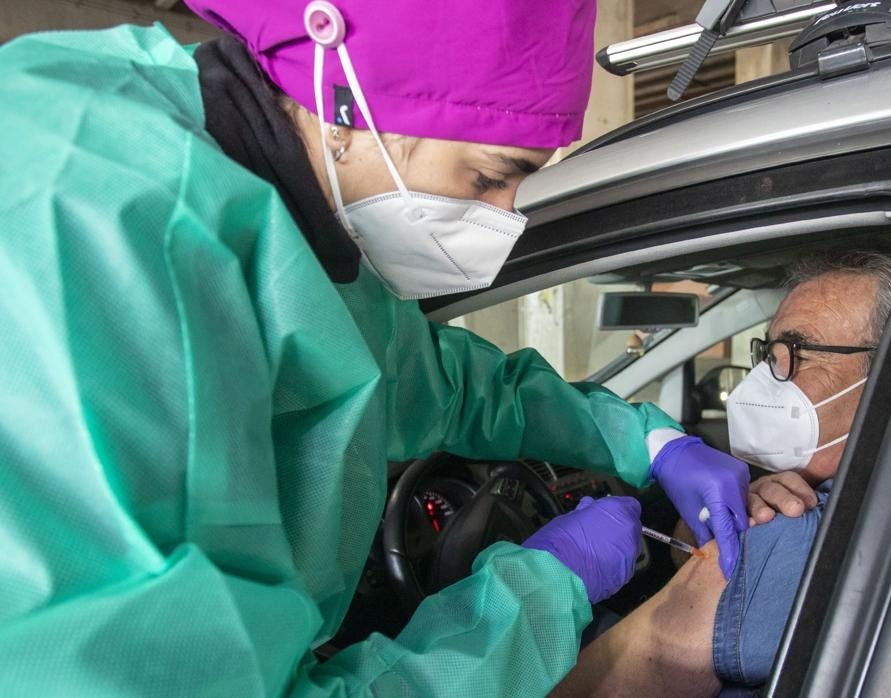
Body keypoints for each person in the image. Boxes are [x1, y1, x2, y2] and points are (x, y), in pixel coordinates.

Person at [0, 1, 770, 694]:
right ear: (349, 100)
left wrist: (651, 438)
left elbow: (442, 383)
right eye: (490, 177)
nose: (504, 220)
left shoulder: (288, 219)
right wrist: (541, 591)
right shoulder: (88, 227)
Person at [552, 250, 891, 696]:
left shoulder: (798, 534)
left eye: (799, 352)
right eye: (768, 353)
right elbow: (699, 558)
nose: (761, 380)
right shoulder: (879, 485)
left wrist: (540, 590)